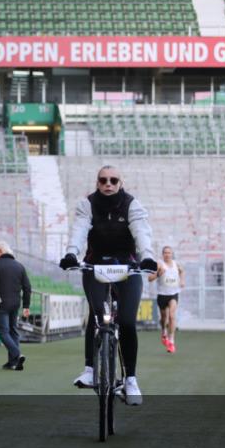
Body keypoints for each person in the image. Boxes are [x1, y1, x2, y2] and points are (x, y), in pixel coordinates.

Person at [59, 165, 161, 405]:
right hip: (94, 265)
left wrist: (147, 256)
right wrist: (71, 253)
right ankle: (90, 370)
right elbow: (79, 229)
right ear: (97, 182)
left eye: (113, 180)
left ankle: (131, 380)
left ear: (120, 183)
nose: (108, 184)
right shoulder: (87, 204)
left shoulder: (132, 205)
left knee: (126, 321)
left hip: (128, 266)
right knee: (96, 317)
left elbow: (141, 232)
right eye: (103, 180)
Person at [0, 241, 32, 371]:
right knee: (13, 331)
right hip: (16, 303)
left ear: (0, 251)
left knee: (3, 332)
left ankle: (17, 355)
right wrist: (26, 306)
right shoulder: (19, 266)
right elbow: (27, 287)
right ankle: (12, 363)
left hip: (1, 303)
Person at [149, 245, 185, 354]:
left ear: (172, 254)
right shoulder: (159, 265)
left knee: (172, 316)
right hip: (162, 295)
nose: (167, 254)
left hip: (173, 294)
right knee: (164, 318)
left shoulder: (176, 264)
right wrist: (159, 274)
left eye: (169, 253)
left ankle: (171, 340)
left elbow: (182, 272)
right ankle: (164, 331)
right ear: (162, 254)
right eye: (165, 252)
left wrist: (182, 281)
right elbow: (150, 278)